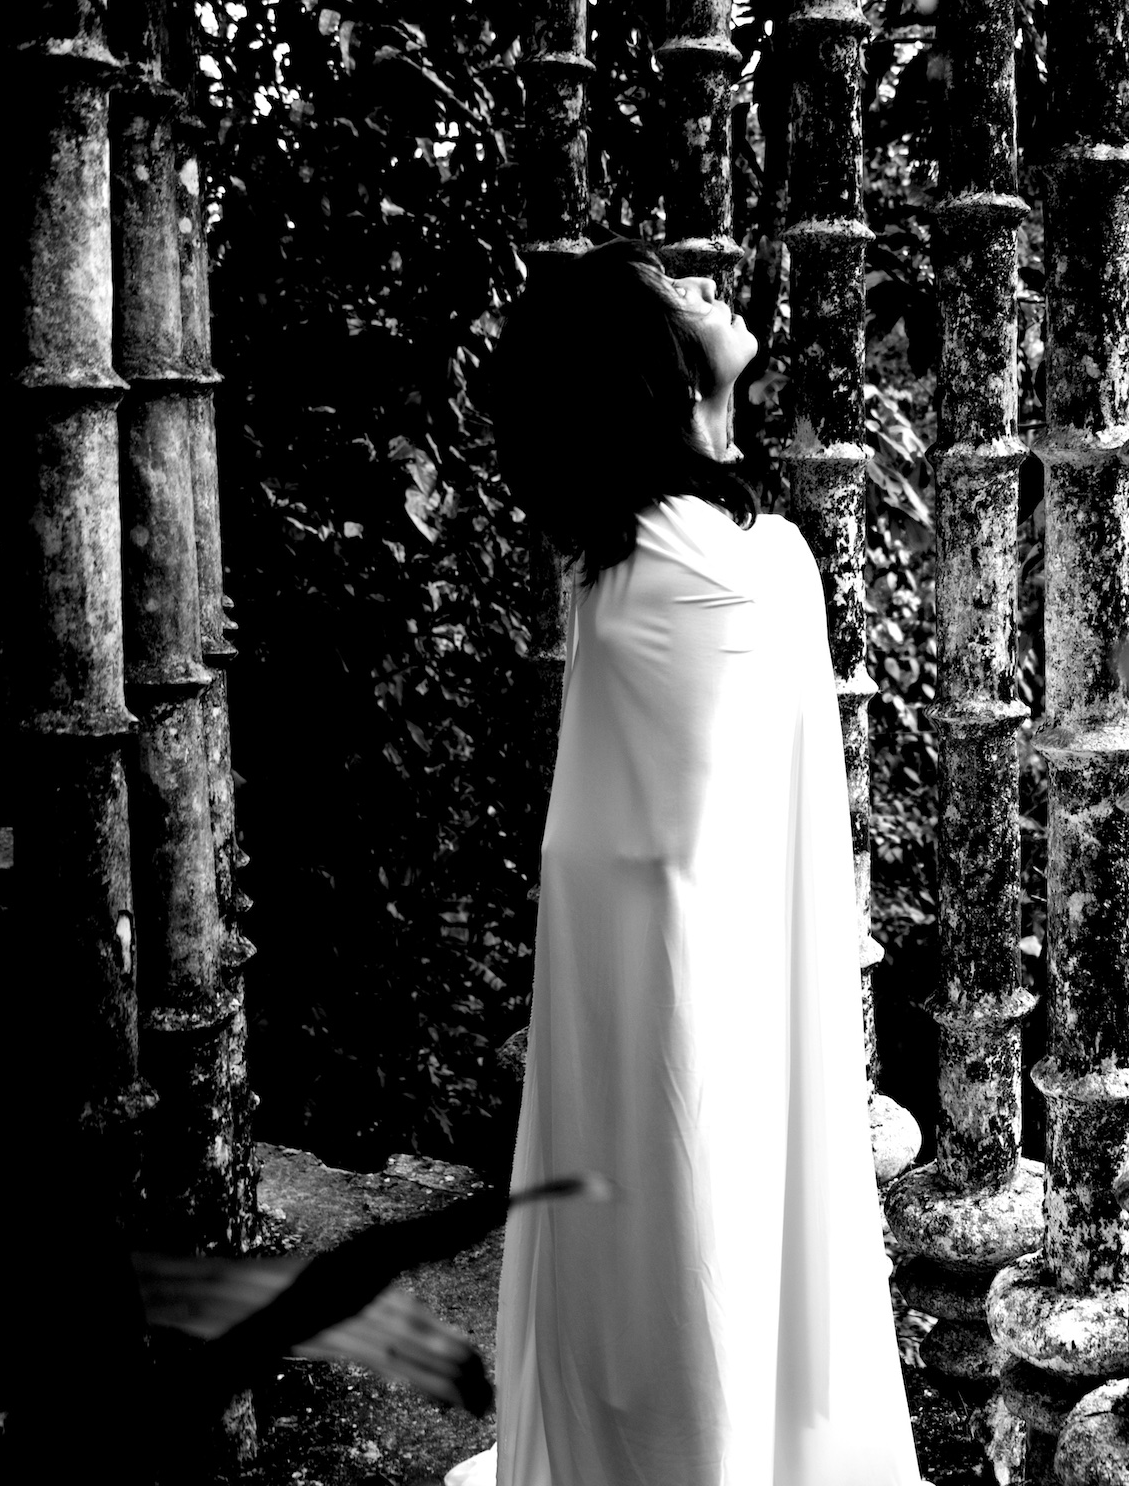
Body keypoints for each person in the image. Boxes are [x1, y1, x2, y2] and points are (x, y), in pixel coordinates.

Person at [448, 241, 920, 1486]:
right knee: (700, 1190)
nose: (706, 285)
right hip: (683, 936)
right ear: (645, 363)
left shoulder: (625, 553)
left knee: (658, 1206)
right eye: (672, 287)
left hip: (634, 919)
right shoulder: (732, 566)